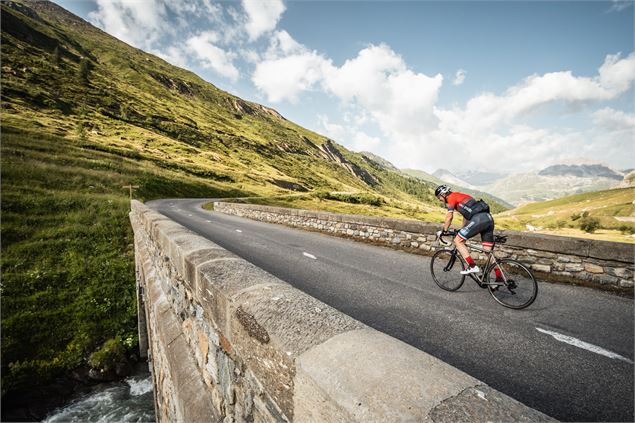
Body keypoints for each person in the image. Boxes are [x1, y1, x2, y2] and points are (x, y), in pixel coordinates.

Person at [434, 185, 503, 282]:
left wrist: (444, 230)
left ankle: (472, 266)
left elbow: (449, 217)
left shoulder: (451, 198)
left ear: (443, 194)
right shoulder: (461, 195)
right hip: (488, 219)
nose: (440, 200)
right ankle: (500, 278)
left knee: (458, 241)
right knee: (488, 251)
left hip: (479, 219)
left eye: (439, 197)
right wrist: (463, 229)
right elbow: (466, 216)